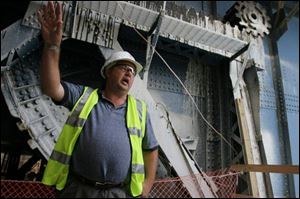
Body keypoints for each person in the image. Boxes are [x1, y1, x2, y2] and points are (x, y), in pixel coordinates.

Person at [37, 1, 159, 198]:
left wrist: (147, 186)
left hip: (118, 192)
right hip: (78, 189)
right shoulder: (84, 96)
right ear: (108, 72)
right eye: (123, 67)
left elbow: (151, 150)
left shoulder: (140, 109)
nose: (129, 72)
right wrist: (52, 46)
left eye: (132, 71)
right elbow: (51, 88)